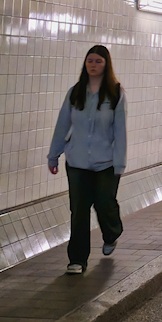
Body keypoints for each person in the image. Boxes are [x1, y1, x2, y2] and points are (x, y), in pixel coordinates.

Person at [47, 44, 127, 274]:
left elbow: (120, 131)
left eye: (98, 61)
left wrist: (119, 163)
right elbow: (63, 124)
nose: (93, 65)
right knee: (79, 211)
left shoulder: (115, 93)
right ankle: (77, 260)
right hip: (77, 162)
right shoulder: (75, 93)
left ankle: (111, 233)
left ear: (106, 65)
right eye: (90, 60)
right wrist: (54, 155)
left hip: (106, 163)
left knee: (104, 203)